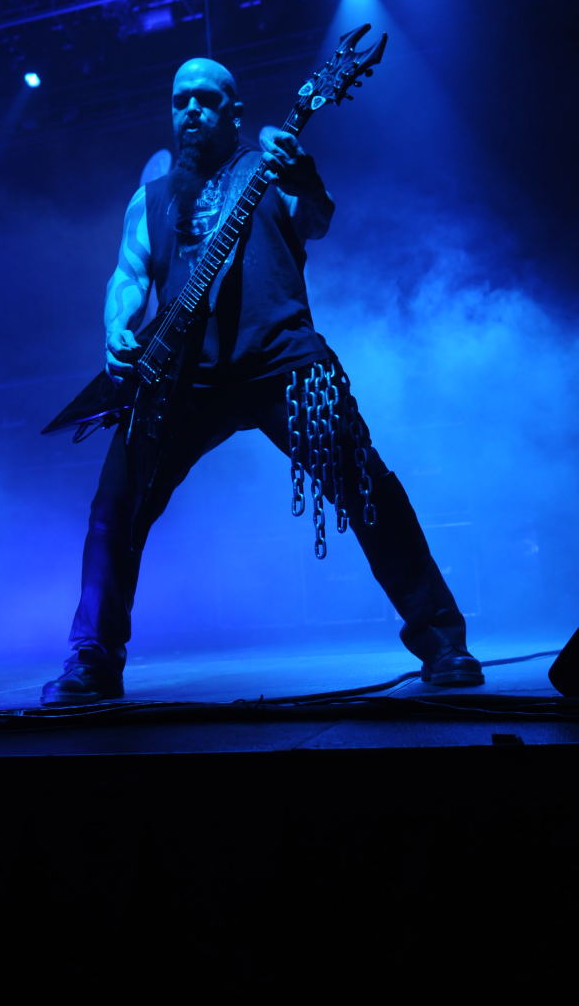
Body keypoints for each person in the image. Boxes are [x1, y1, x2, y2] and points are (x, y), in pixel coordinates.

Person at [40, 57, 484, 706]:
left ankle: (442, 640)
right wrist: (116, 331)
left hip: (283, 362)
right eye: (180, 101)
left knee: (367, 488)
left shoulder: (273, 166)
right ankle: (93, 657)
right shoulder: (151, 197)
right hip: (181, 378)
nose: (192, 111)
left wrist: (302, 174)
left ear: (234, 111)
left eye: (206, 99)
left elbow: (315, 219)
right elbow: (129, 275)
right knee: (115, 511)